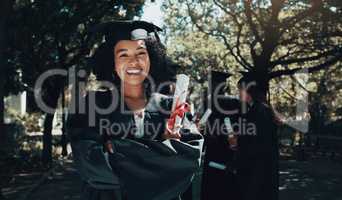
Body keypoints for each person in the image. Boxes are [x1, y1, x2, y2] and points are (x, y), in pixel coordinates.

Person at [67, 20, 203, 200]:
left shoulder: (171, 108)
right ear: (111, 61)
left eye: (141, 53)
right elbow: (91, 167)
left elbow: (189, 161)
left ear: (151, 58)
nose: (134, 62)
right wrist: (164, 153)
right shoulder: (90, 105)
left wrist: (116, 147)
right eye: (123, 55)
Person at [235, 71, 279, 200]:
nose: (238, 94)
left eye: (240, 90)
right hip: (260, 166)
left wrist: (239, 143)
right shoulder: (259, 109)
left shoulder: (259, 111)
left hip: (257, 168)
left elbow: (257, 142)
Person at [200, 70, 241, 200]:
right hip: (221, 147)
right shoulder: (231, 101)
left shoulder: (226, 102)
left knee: (216, 185)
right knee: (222, 184)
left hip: (222, 147)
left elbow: (230, 125)